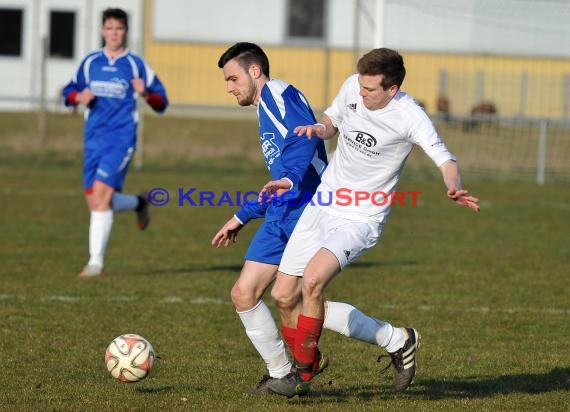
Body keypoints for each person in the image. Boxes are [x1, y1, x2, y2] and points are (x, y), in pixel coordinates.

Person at [262, 48, 480, 398]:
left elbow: (445, 158)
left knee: (313, 281)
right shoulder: (353, 86)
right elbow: (333, 121)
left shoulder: (410, 115)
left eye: (370, 91)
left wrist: (452, 185)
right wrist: (320, 128)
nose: (361, 95)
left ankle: (300, 374)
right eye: (360, 87)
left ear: (391, 89)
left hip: (362, 217)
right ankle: (395, 341)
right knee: (283, 296)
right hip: (324, 204)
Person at [213, 43, 412, 395]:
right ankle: (392, 340)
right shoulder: (266, 108)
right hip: (284, 210)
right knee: (264, 296)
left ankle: (286, 372)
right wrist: (241, 215)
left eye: (233, 78)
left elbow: (303, 139)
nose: (230, 87)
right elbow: (280, 175)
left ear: (255, 71)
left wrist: (289, 179)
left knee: (279, 295)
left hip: (305, 208)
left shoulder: (277, 92)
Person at [62, 8, 168, 278]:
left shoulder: (135, 64)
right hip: (93, 139)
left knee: (100, 198)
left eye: (119, 29)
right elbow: (68, 91)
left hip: (121, 139)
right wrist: (77, 96)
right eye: (109, 28)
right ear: (102, 31)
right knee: (96, 201)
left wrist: (144, 92)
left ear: (126, 32)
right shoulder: (90, 63)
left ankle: (95, 264)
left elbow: (161, 102)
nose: (113, 33)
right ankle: (139, 203)